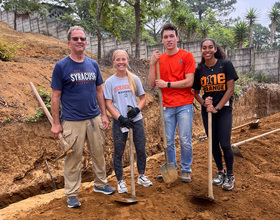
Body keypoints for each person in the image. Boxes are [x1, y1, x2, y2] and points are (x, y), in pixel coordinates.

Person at [50, 26, 115, 208]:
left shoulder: (93, 64)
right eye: (76, 39)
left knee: (99, 153)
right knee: (73, 157)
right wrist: (56, 123)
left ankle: (101, 184)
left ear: (86, 42)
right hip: (72, 120)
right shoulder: (61, 66)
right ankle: (71, 194)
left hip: (93, 118)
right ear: (69, 43)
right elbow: (55, 96)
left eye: (82, 39)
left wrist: (103, 114)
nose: (80, 41)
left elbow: (99, 91)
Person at [148, 24, 196, 182]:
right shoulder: (159, 59)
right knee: (168, 140)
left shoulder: (187, 56)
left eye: (171, 36)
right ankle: (171, 168)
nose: (169, 39)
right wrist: (151, 64)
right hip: (167, 105)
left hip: (184, 105)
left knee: (185, 139)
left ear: (177, 38)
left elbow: (189, 82)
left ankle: (186, 169)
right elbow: (152, 83)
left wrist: (167, 84)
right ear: (162, 40)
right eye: (166, 37)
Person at [193, 38, 239, 191]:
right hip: (208, 112)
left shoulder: (225, 64)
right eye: (204, 48)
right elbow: (196, 93)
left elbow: (230, 90)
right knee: (213, 144)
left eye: (210, 47)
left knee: (225, 143)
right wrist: (204, 103)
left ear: (214, 49)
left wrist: (217, 108)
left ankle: (230, 175)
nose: (207, 50)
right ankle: (220, 171)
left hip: (223, 110)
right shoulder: (200, 70)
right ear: (201, 50)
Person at [104, 49, 152, 194]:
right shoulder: (110, 82)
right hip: (120, 122)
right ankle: (120, 181)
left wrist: (137, 109)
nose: (121, 62)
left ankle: (141, 175)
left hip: (136, 120)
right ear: (114, 62)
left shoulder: (134, 79)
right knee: (118, 151)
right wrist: (120, 118)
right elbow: (108, 103)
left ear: (127, 61)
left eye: (123, 59)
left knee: (141, 148)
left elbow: (143, 98)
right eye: (118, 60)